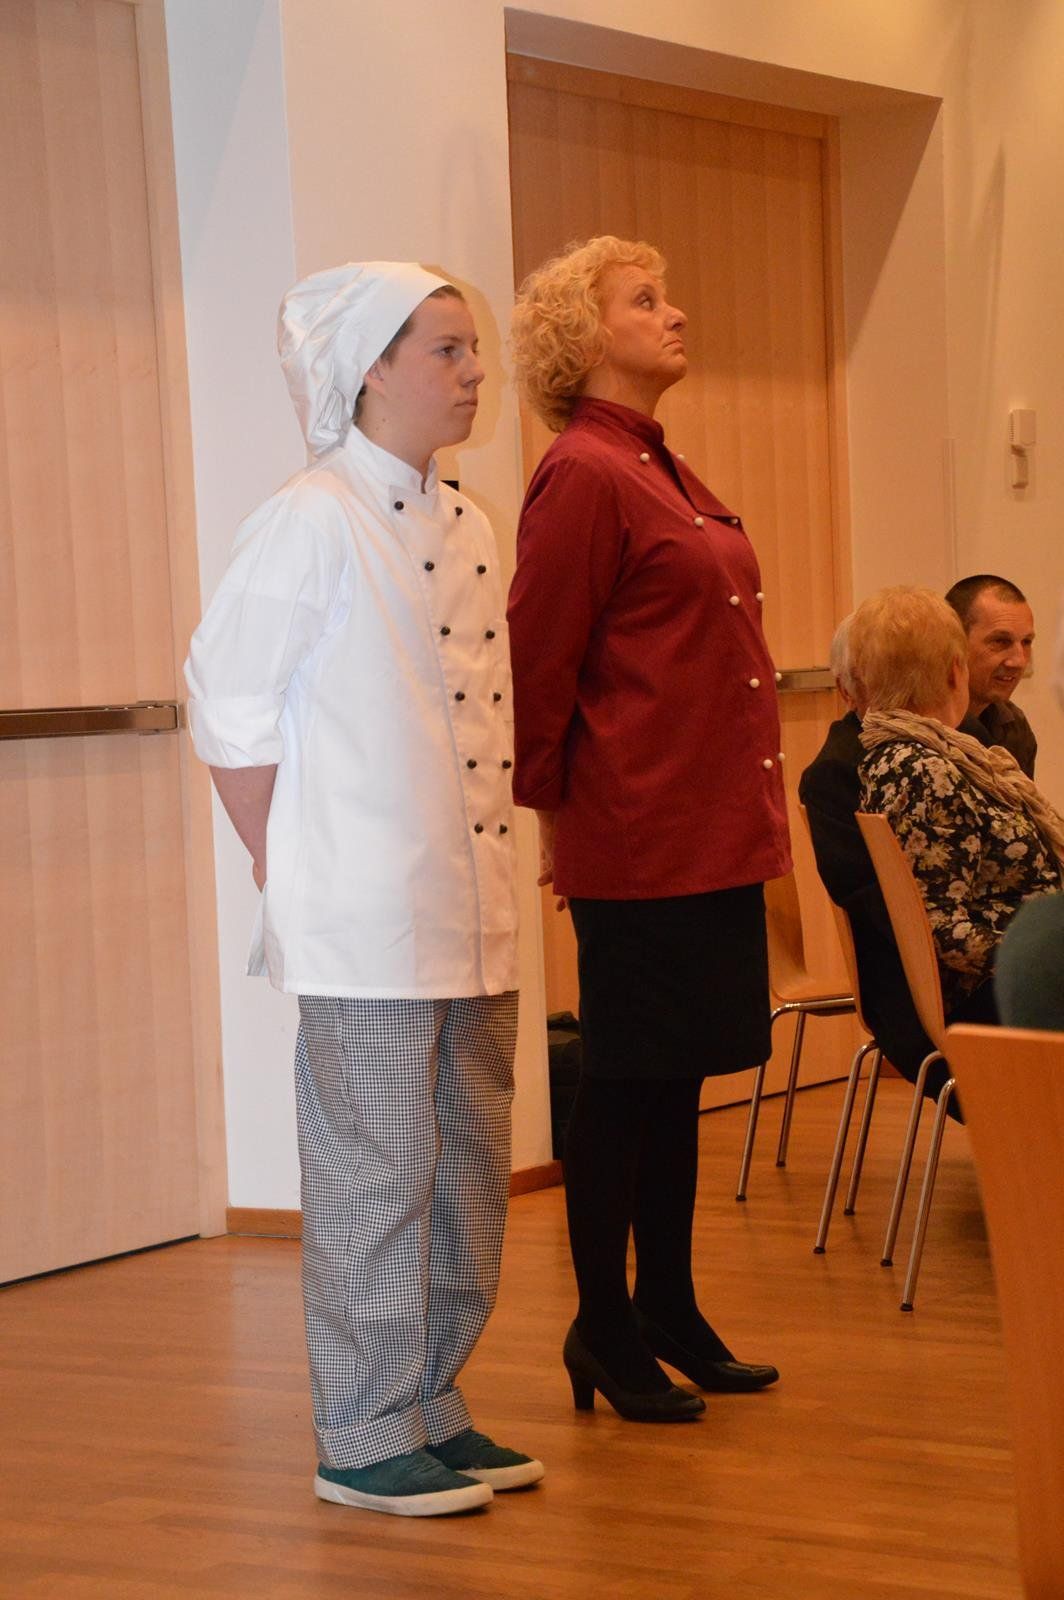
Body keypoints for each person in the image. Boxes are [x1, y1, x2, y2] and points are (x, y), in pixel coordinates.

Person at [185, 262, 542, 1518]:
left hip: (471, 906)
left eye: (471, 347)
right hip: (364, 923)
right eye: (445, 349)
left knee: (464, 1174)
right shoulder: (310, 517)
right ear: (370, 369)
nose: (474, 371)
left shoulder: (470, 522)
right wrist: (282, 857)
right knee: (374, 1178)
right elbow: (226, 705)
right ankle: (359, 1430)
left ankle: (429, 1405)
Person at [507, 235, 788, 1422]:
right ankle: (602, 1324)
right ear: (585, 337)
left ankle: (666, 1304)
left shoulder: (654, 462)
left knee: (677, 1076)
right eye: (644, 300)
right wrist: (550, 816)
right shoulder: (581, 471)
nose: (672, 314)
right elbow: (537, 659)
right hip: (637, 832)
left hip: (708, 826)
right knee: (626, 1078)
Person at [850, 587, 1063, 1017]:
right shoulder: (922, 770)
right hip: (997, 991)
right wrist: (1040, 957)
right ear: (954, 670)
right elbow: (946, 931)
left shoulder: (905, 755)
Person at [799, 619, 941, 1098]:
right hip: (919, 990)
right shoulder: (847, 771)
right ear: (847, 690)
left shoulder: (961, 744)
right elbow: (890, 911)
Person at [946, 573, 1037, 776]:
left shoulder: (1014, 727)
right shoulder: (918, 728)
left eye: (1026, 642)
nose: (1019, 661)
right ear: (955, 642)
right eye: (1000, 641)